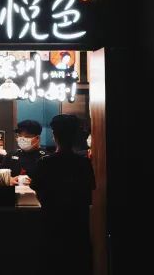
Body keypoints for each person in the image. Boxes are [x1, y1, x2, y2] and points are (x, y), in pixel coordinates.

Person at [31, 114, 96, 275]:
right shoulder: (84, 164)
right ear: (74, 136)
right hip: (78, 230)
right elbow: (89, 194)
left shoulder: (45, 163)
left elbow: (37, 191)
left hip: (51, 228)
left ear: (54, 135)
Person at [2, 120, 47, 185]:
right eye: (20, 136)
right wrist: (9, 180)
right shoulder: (11, 155)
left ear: (37, 138)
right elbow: (0, 175)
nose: (22, 139)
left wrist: (35, 183)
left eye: (27, 136)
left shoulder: (46, 158)